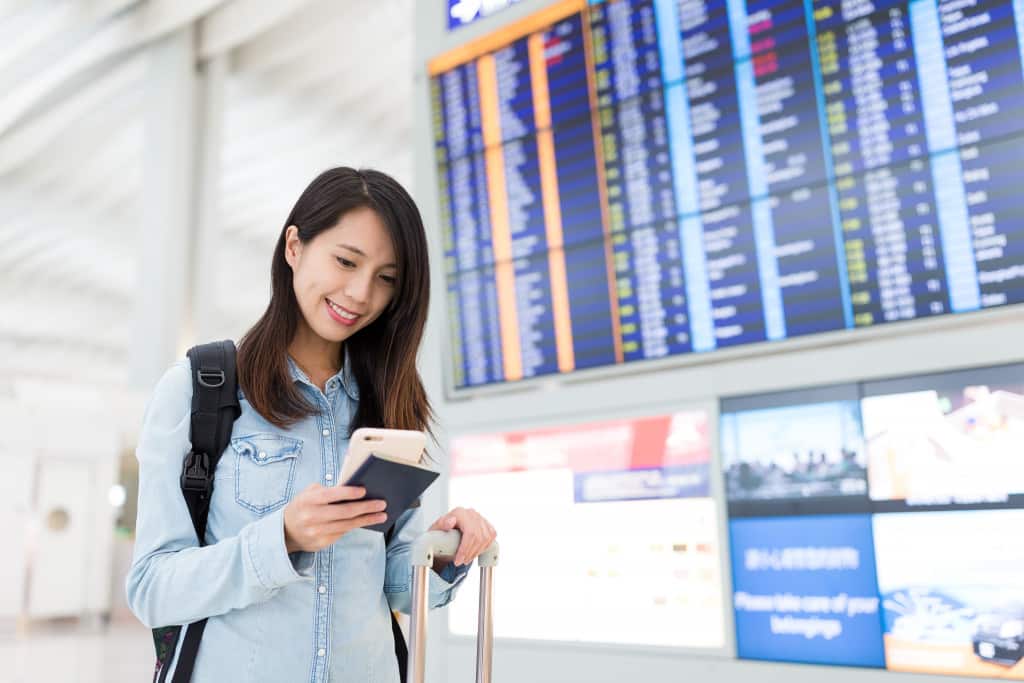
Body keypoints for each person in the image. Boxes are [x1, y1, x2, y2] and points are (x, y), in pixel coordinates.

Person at [126, 167, 497, 682]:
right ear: (294, 247)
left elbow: (395, 583)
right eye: (346, 261)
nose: (361, 293)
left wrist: (445, 550)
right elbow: (151, 588)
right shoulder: (200, 388)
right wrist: (282, 537)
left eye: (386, 278)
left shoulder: (386, 400)